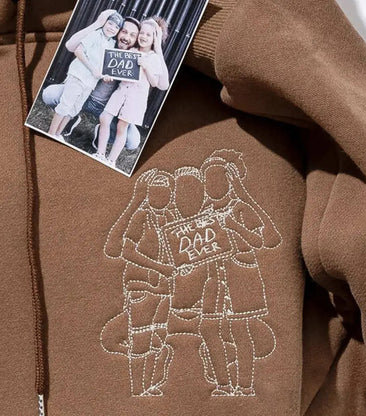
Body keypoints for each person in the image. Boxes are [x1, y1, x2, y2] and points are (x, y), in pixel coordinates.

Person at [197, 149, 282, 396]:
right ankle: (223, 384)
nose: (212, 185)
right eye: (208, 180)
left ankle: (244, 386)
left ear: (229, 181)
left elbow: (262, 241)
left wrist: (234, 227)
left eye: (217, 179)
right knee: (208, 329)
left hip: (241, 277)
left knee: (239, 331)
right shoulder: (205, 211)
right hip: (214, 280)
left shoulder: (240, 208)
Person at [42, 11, 170, 150]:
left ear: (137, 39)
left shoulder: (138, 56)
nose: (126, 37)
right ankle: (69, 119)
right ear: (117, 31)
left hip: (107, 108)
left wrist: (158, 48)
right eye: (124, 31)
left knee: (133, 141)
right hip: (84, 92)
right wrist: (97, 23)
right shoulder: (107, 42)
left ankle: (102, 134)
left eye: (132, 35)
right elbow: (70, 46)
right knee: (49, 94)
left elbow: (163, 85)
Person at [101, 169, 178, 396]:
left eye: (166, 192)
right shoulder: (142, 216)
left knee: (158, 337)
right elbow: (127, 251)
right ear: (148, 193)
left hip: (164, 288)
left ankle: (150, 386)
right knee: (141, 338)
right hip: (142, 286)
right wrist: (160, 268)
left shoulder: (170, 217)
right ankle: (138, 389)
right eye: (156, 191)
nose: (161, 196)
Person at [94, 17, 169, 168]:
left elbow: (155, 83)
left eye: (148, 35)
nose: (143, 36)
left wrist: (146, 66)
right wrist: (110, 73)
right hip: (121, 92)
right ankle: (100, 153)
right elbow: (120, 70)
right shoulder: (132, 51)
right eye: (142, 33)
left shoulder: (154, 58)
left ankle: (111, 160)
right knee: (104, 117)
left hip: (136, 99)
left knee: (122, 128)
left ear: (155, 39)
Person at [47, 12, 123, 141]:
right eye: (110, 23)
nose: (112, 28)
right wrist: (93, 70)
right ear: (104, 22)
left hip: (91, 82)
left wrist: (105, 74)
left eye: (116, 27)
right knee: (66, 105)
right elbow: (78, 51)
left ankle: (58, 134)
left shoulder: (111, 43)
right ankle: (51, 133)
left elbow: (104, 64)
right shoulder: (95, 34)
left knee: (75, 108)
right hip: (79, 75)